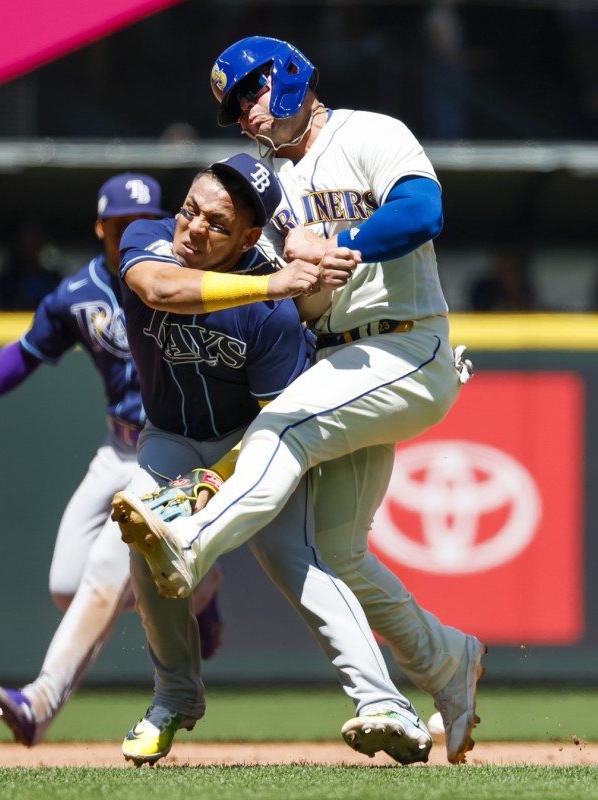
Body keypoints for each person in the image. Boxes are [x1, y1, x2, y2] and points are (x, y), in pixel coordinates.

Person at [113, 36, 485, 765]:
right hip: (340, 361)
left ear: (288, 77)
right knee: (339, 554)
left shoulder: (368, 133)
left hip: (402, 343)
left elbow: (422, 211)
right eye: (234, 107)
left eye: (250, 93)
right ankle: (449, 661)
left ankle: (188, 541)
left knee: (280, 428)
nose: (247, 114)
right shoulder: (269, 187)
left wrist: (346, 238)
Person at [0, 173, 222, 746]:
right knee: (68, 584)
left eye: (144, 220)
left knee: (106, 573)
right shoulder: (78, 294)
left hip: (171, 452)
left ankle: (40, 701)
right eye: (119, 225)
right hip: (118, 447)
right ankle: (199, 587)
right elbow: (28, 349)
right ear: (100, 229)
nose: (131, 232)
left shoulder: (183, 276)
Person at [468, 246, 535, 312]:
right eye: (504, 258)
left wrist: (514, 291)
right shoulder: (483, 289)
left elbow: (526, 312)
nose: (508, 264)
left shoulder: (524, 288)